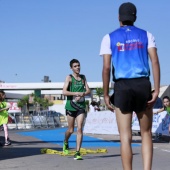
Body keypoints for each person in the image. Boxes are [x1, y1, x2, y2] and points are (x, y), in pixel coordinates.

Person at [100, 2, 160, 170]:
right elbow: (154, 61)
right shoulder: (146, 35)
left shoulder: (109, 37)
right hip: (143, 84)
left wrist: (106, 94)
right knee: (146, 133)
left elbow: (106, 68)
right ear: (135, 17)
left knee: (125, 136)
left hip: (122, 86)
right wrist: (155, 89)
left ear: (119, 17)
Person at [62, 59, 90, 160]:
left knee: (79, 129)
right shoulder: (69, 78)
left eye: (78, 65)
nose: (77, 67)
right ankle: (65, 141)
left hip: (81, 106)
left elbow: (88, 90)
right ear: (71, 68)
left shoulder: (83, 77)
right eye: (75, 66)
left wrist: (83, 93)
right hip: (71, 106)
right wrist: (75, 94)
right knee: (70, 130)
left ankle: (77, 152)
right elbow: (64, 92)